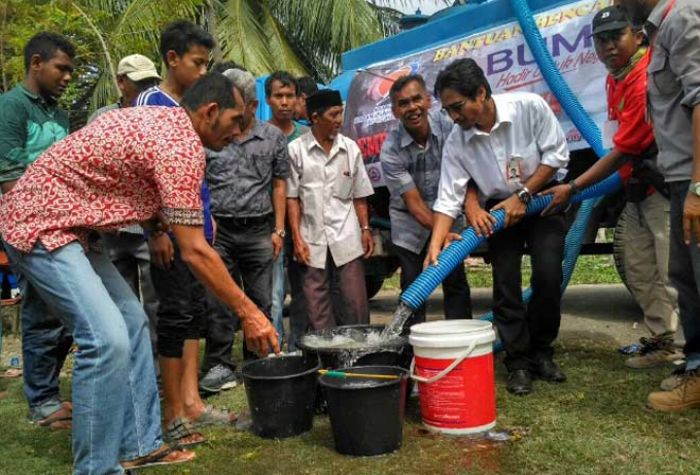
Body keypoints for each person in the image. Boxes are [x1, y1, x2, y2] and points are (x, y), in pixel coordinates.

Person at [0, 72, 279, 474]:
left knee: (131, 323)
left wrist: (154, 224)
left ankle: (139, 444)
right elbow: (196, 251)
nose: (239, 133)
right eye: (236, 121)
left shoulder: (158, 120)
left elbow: (120, 174)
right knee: (105, 338)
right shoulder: (180, 145)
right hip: (40, 224)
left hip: (73, 226)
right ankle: (96, 468)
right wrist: (251, 313)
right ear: (211, 111)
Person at [543, 6, 681, 369]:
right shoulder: (615, 77)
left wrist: (574, 187)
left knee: (674, 274)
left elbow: (625, 148)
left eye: (615, 37)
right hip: (640, 189)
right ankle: (665, 342)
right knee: (639, 266)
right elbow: (616, 137)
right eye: (601, 40)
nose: (607, 46)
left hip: (666, 189)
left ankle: (689, 355)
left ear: (637, 36)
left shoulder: (643, 77)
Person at [428, 58, 569, 396]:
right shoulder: (457, 141)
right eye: (447, 111)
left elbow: (557, 156)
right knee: (505, 282)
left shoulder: (528, 108)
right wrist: (435, 244)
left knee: (548, 275)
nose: (453, 118)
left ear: (481, 93)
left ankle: (541, 351)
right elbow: (450, 195)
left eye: (457, 107)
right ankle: (518, 361)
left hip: (542, 200)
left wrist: (525, 194)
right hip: (500, 211)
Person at [135, 21, 232, 445]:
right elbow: (142, 176)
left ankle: (192, 400)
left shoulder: (195, 108)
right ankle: (172, 410)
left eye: (206, 63)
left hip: (195, 225)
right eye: (197, 63)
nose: (202, 70)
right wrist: (155, 231)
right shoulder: (151, 102)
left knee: (194, 310)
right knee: (173, 313)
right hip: (168, 230)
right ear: (172, 60)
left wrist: (207, 223)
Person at [617, 0, 700, 412]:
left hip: (693, 176)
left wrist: (699, 187)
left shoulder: (683, 17)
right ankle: (696, 370)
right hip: (679, 176)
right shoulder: (658, 31)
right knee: (687, 280)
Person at [0, 32, 75, 429]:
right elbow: (9, 178)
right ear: (36, 64)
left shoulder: (58, 114)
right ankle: (42, 402)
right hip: (23, 223)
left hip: (57, 222)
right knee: (41, 311)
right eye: (61, 68)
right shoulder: (11, 107)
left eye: (71, 71)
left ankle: (46, 394)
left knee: (62, 312)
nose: (67, 77)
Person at [201, 68, 289, 389]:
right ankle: (219, 366)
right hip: (220, 233)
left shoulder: (273, 138)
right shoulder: (209, 137)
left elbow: (280, 185)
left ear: (251, 105)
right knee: (218, 301)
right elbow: (200, 183)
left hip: (259, 231)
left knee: (261, 299)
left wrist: (278, 230)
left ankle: (257, 363)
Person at [380, 74, 473, 329]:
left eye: (416, 99)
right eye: (403, 103)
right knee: (413, 287)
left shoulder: (449, 126)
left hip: (450, 216)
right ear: (395, 111)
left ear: (428, 100)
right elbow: (415, 206)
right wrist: (441, 235)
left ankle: (462, 339)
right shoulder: (390, 150)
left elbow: (468, 172)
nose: (411, 107)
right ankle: (410, 347)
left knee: (455, 281)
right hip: (410, 225)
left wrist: (446, 231)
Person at [88, 54, 161, 361]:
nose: (145, 89)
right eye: (139, 83)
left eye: (150, 83)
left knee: (155, 300)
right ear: (120, 82)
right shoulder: (101, 118)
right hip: (113, 228)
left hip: (149, 226)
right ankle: (130, 360)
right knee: (120, 300)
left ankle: (155, 361)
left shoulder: (158, 114)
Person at [287, 89, 374, 329]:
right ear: (315, 118)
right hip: (311, 236)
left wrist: (365, 228)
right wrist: (296, 237)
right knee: (317, 306)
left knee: (355, 301)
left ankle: (359, 355)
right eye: (334, 114)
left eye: (340, 114)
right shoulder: (296, 150)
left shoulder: (350, 149)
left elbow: (360, 195)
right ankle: (327, 359)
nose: (339, 120)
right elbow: (291, 198)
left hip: (346, 235)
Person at [265, 71, 307, 348]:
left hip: (306, 226)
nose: (284, 102)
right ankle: (275, 347)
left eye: (289, 96)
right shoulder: (261, 135)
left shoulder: (307, 135)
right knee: (274, 292)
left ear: (297, 99)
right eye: (278, 96)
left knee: (304, 289)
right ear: (268, 99)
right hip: (273, 227)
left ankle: (301, 343)